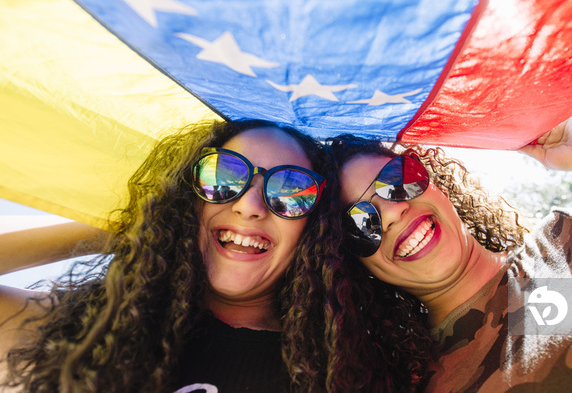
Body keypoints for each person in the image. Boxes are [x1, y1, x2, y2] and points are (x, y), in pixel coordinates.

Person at [327, 118, 572, 391]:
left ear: (434, 181)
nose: (392, 214)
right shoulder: (415, 385)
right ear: (353, 263)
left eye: (396, 180)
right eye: (359, 224)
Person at [0, 119, 349, 392]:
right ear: (185, 202)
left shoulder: (340, 370)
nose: (249, 205)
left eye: (291, 191)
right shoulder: (91, 325)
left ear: (317, 226)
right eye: (223, 177)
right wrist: (122, 229)